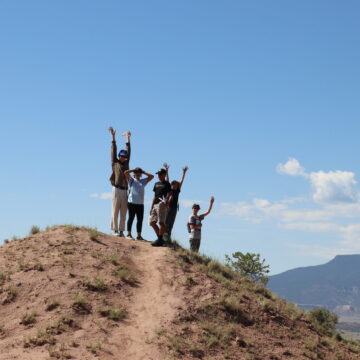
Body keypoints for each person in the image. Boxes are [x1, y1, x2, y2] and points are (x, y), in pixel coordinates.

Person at [109, 127, 131, 237]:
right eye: (122, 156)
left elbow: (129, 151)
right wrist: (113, 137)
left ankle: (122, 230)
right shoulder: (115, 163)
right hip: (116, 188)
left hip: (125, 190)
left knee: (123, 211)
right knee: (115, 209)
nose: (123, 158)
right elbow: (113, 150)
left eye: (125, 156)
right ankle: (115, 230)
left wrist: (128, 138)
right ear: (119, 156)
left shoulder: (126, 164)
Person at [124, 167, 154, 240]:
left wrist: (143, 171)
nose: (137, 174)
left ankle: (139, 236)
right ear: (134, 173)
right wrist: (133, 170)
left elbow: (152, 176)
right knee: (131, 218)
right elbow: (125, 173)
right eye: (136, 172)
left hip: (140, 204)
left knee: (140, 220)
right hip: (131, 203)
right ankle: (129, 234)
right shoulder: (131, 180)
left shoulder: (143, 181)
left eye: (138, 173)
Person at [164, 166, 189, 242]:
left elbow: (181, 181)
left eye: (175, 184)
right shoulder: (169, 190)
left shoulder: (177, 190)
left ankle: (168, 237)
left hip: (174, 208)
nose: (174, 185)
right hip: (168, 207)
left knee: (171, 223)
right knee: (166, 222)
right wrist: (167, 170)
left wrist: (184, 172)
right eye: (173, 184)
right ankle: (163, 236)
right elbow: (167, 180)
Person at [149, 166, 171, 247]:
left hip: (162, 203)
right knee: (152, 222)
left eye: (161, 174)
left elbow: (170, 194)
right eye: (158, 174)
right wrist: (151, 207)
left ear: (164, 175)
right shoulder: (156, 184)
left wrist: (168, 201)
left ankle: (160, 240)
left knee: (161, 222)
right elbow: (154, 196)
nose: (159, 176)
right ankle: (160, 239)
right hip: (155, 204)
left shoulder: (167, 184)